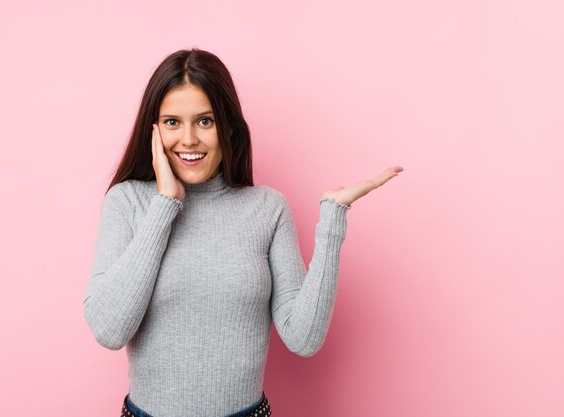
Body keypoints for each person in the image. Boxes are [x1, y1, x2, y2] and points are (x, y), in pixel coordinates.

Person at [83, 48, 403, 417]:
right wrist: (165, 203)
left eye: (205, 121)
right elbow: (108, 330)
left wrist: (333, 218)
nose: (188, 139)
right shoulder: (128, 202)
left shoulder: (266, 209)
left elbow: (304, 337)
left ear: (228, 127)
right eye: (172, 122)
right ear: (152, 130)